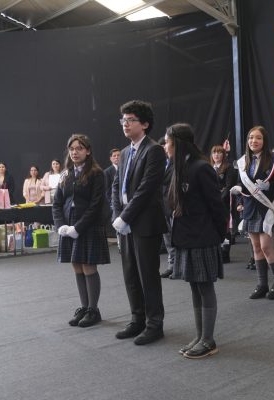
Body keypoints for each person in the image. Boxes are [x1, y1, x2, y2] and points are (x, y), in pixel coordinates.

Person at [165, 123, 226, 359]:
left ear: (178, 144)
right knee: (194, 286)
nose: (165, 147)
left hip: (202, 237)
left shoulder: (201, 168)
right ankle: (200, 335)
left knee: (205, 286)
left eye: (168, 143)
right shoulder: (178, 167)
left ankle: (208, 340)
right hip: (186, 237)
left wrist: (219, 235)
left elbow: (217, 206)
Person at [111, 100, 167, 345]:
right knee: (130, 273)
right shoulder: (124, 152)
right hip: (125, 223)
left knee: (147, 275)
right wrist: (117, 216)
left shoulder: (154, 150)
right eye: (123, 120)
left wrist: (125, 217)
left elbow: (146, 189)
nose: (125, 124)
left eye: (130, 120)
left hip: (145, 222)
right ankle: (137, 319)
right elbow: (116, 187)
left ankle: (154, 324)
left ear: (144, 124)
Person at [53, 134, 110, 328]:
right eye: (72, 149)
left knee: (88, 267)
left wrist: (78, 228)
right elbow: (57, 204)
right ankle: (84, 308)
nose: (75, 152)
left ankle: (94, 310)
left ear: (88, 151)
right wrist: (61, 225)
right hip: (68, 226)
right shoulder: (65, 174)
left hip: (88, 226)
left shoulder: (96, 173)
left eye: (79, 148)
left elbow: (96, 205)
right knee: (76, 266)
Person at [230, 126, 274, 300]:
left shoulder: (273, 159)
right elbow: (241, 183)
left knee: (266, 247)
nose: (253, 141)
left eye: (258, 138)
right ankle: (262, 284)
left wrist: (269, 186)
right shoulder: (243, 161)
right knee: (256, 247)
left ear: (264, 141)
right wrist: (238, 196)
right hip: (250, 208)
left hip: (268, 207)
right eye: (251, 138)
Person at [211, 144, 237, 263]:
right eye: (214, 152)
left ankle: (225, 253)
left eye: (219, 152)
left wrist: (219, 199)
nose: (216, 155)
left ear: (224, 154)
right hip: (211, 203)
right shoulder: (209, 167)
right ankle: (217, 252)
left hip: (224, 202)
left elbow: (228, 186)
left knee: (225, 227)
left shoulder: (228, 167)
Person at [159, 137, 176, 279]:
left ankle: (178, 266)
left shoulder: (176, 163)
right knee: (168, 239)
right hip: (162, 207)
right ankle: (172, 266)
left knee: (176, 238)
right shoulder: (158, 163)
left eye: (165, 145)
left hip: (174, 207)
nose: (164, 148)